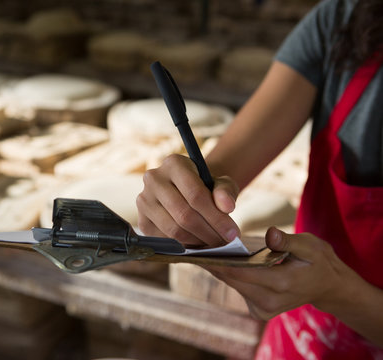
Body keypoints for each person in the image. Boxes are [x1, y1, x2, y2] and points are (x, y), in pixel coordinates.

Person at [136, 0, 383, 358]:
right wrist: (187, 194)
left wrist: (337, 291)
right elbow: (224, 168)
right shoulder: (346, 20)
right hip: (304, 338)